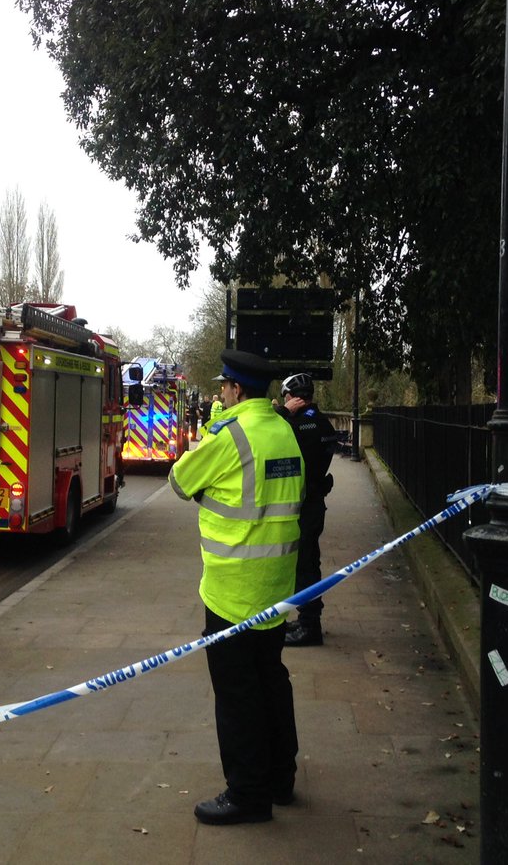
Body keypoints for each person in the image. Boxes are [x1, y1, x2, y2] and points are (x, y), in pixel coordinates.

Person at [168, 349, 305, 825]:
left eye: (223, 386)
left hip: (231, 591)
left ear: (234, 390)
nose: (220, 392)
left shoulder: (231, 437)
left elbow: (180, 481)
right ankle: (280, 778)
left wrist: (211, 429)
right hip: (277, 585)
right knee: (271, 679)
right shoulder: (282, 431)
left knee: (236, 692)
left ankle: (247, 793)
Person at [277, 373, 340, 647]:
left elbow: (265, 432)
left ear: (292, 397)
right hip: (316, 502)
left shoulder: (292, 425)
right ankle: (308, 620)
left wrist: (282, 413)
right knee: (309, 562)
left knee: (304, 567)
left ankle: (309, 626)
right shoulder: (323, 423)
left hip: (301, 504)